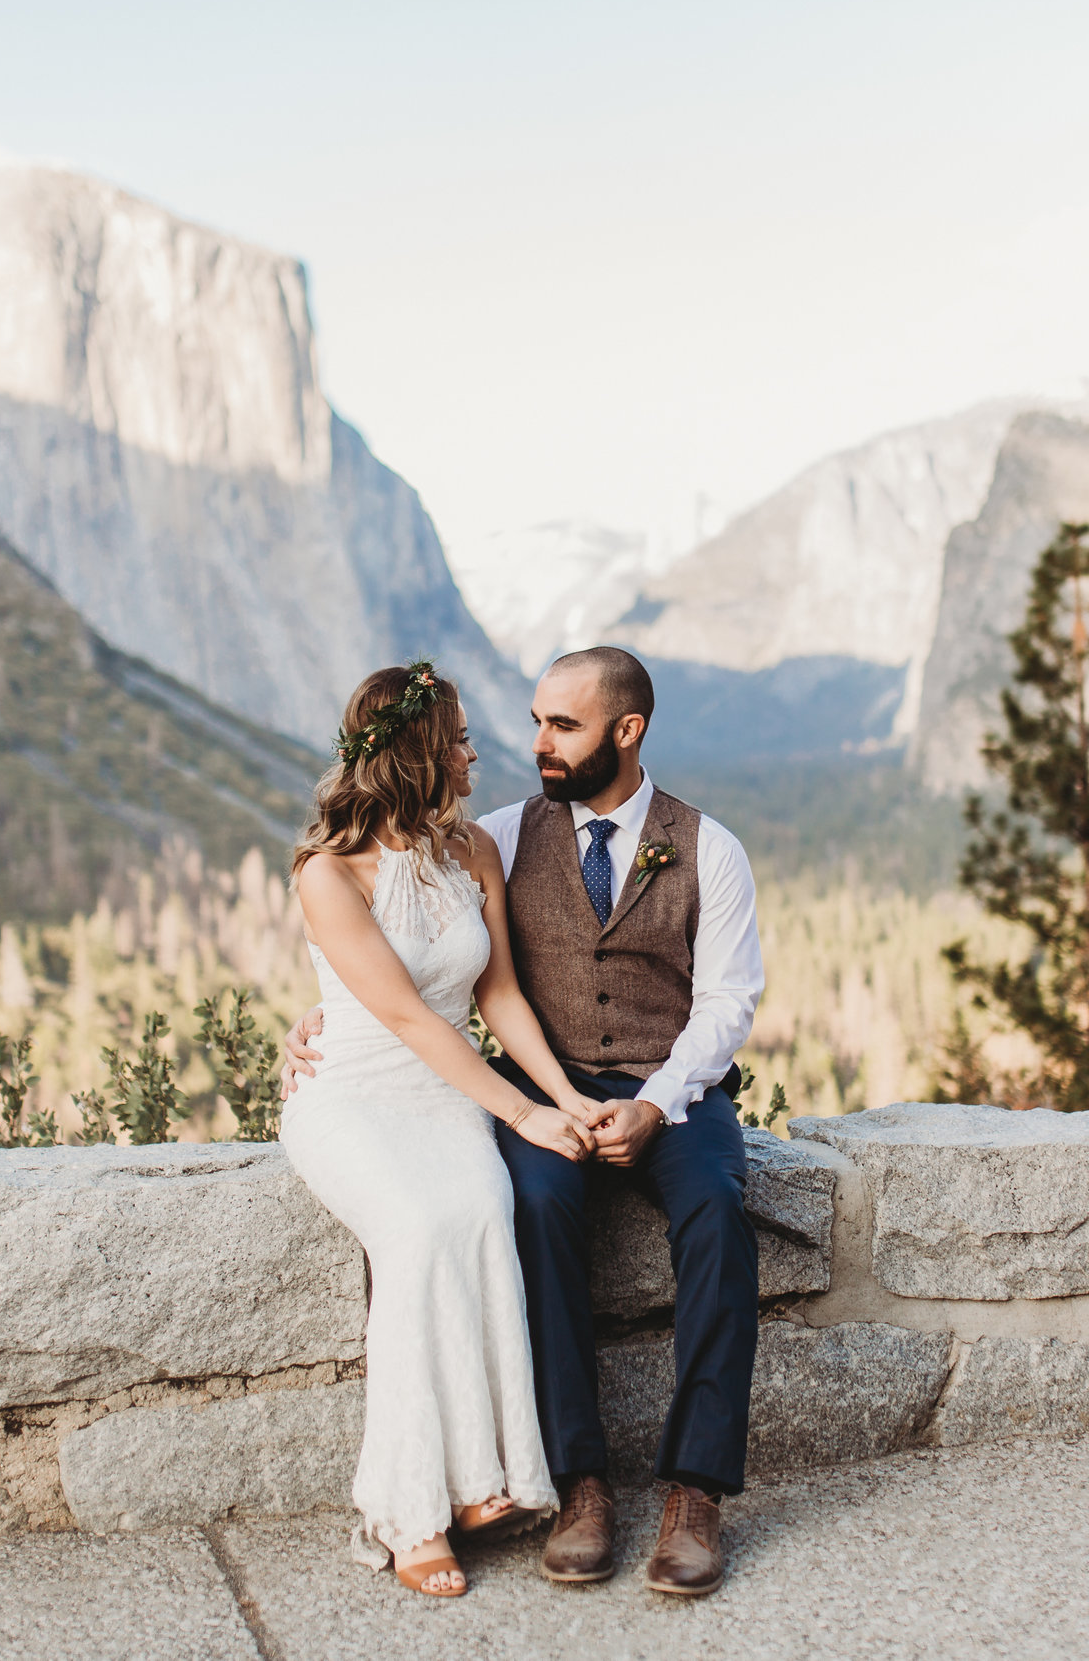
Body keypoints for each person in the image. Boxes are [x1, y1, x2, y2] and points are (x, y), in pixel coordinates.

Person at [285, 646, 765, 1598]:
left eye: (562, 725)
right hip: (534, 1088)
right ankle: (579, 1481)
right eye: (535, 720)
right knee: (532, 1202)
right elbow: (414, 976)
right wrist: (315, 1022)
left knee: (717, 1210)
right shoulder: (503, 833)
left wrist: (654, 1100)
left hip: (673, 1087)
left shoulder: (710, 848)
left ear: (626, 732)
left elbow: (727, 1006)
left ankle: (696, 1491)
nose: (533, 743)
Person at [279, 662, 605, 1599]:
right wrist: (522, 1113)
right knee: (419, 1232)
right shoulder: (328, 873)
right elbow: (412, 1020)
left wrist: (564, 1099)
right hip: (354, 1095)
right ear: (419, 752)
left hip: (446, 1096)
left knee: (482, 1209)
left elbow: (493, 994)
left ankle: (483, 1484)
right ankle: (408, 1508)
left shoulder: (474, 854)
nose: (474, 753)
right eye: (459, 739)